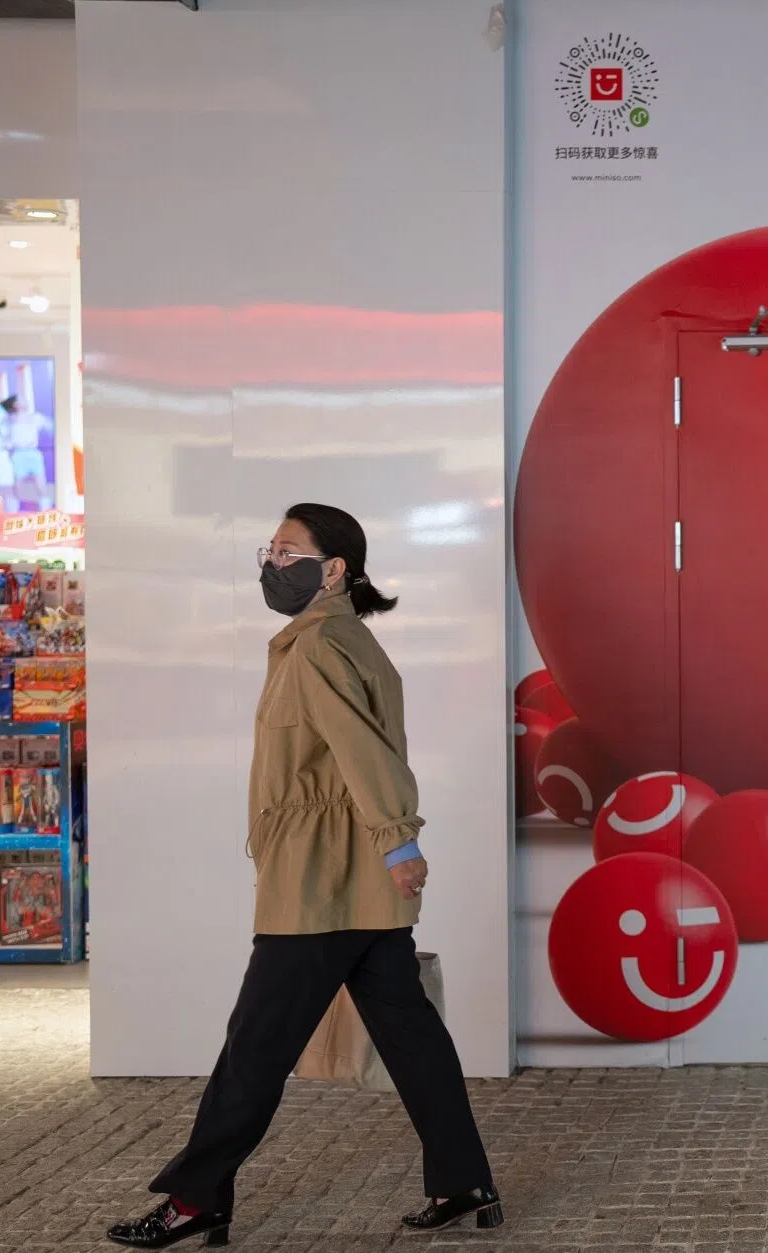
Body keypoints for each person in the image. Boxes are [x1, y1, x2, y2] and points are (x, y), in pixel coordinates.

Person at [107, 504, 500, 1249]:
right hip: (358, 886)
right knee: (411, 1037)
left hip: (322, 886)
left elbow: (363, 752)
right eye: (270, 548)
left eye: (287, 550)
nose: (271, 561)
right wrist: (388, 851)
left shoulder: (317, 645)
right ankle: (463, 1180)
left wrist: (397, 840)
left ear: (333, 570)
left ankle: (195, 1200)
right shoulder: (347, 639)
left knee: (254, 1045)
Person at [3, 391, 51, 509]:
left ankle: (46, 511)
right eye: (21, 399)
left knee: (40, 484)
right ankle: (13, 511)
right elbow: (5, 437)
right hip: (19, 454)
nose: (24, 401)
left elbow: (50, 426)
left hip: (33, 453)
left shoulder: (35, 417)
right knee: (17, 485)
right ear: (15, 404)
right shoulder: (9, 420)